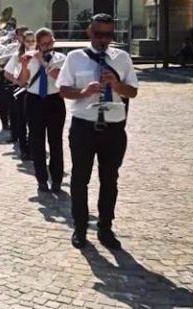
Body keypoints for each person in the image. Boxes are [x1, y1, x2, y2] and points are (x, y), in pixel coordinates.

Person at [58, 13, 138, 250]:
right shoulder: (75, 58)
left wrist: (116, 84)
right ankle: (80, 228)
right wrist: (84, 92)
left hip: (113, 127)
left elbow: (132, 93)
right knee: (79, 179)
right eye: (99, 34)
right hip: (84, 125)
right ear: (89, 32)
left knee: (110, 179)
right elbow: (63, 90)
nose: (104, 39)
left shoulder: (121, 58)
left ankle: (105, 227)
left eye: (108, 35)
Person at [19, 28, 67, 193]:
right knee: (36, 142)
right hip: (34, 101)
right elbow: (22, 81)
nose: (48, 46)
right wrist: (25, 65)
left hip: (54, 100)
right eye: (44, 44)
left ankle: (57, 180)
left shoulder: (61, 58)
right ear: (38, 44)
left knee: (55, 142)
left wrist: (43, 62)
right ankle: (41, 179)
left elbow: (59, 77)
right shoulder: (30, 57)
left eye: (50, 42)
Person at [3, 31, 35, 160]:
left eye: (33, 41)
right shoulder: (18, 55)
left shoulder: (40, 55)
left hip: (36, 90)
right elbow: (7, 73)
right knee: (21, 121)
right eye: (28, 41)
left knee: (34, 122)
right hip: (22, 90)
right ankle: (24, 149)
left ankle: (33, 148)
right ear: (23, 42)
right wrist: (17, 82)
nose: (31, 43)